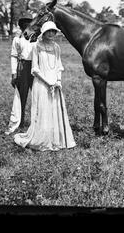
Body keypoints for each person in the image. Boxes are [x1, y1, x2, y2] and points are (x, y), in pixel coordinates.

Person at [14, 21, 76, 151]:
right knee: (43, 110)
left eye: (53, 31)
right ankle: (42, 138)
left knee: (54, 109)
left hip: (55, 83)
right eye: (49, 31)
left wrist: (58, 81)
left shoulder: (57, 47)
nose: (51, 33)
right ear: (43, 33)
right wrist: (48, 82)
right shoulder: (37, 46)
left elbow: (59, 66)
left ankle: (55, 139)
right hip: (42, 83)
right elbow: (35, 69)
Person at [5, 16, 34, 134]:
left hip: (36, 67)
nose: (26, 27)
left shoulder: (37, 39)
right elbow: (13, 56)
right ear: (21, 27)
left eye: (28, 25)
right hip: (22, 67)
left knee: (38, 95)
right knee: (22, 95)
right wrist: (13, 73)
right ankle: (20, 122)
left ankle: (37, 122)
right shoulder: (17, 39)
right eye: (23, 25)